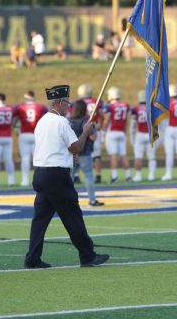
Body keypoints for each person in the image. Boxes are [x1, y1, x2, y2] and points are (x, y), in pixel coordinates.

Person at [24, 84, 109, 269]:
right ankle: (87, 255)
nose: (68, 108)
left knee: (40, 220)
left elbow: (54, 146)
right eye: (67, 104)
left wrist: (69, 155)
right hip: (56, 175)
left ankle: (32, 258)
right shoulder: (62, 122)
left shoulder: (42, 121)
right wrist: (86, 131)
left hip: (40, 173)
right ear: (61, 103)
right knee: (72, 216)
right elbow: (76, 147)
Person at [70, 99, 104, 206]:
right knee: (89, 176)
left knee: (69, 178)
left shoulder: (68, 121)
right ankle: (92, 200)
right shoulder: (86, 121)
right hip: (85, 153)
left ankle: (65, 200)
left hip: (72, 153)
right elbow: (93, 137)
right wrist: (94, 128)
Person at [14, 91, 47, 186]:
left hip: (24, 134)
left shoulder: (20, 107)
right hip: (37, 135)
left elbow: (15, 120)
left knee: (25, 158)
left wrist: (14, 128)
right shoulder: (40, 107)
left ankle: (25, 180)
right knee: (38, 158)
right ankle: (39, 179)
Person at [76, 84, 104, 184]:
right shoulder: (97, 101)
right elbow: (101, 115)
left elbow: (74, 116)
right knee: (97, 155)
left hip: (81, 129)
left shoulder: (77, 103)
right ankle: (98, 175)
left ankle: (76, 176)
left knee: (78, 153)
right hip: (94, 128)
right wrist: (99, 124)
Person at [103, 86, 131, 183]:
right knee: (123, 155)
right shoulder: (126, 105)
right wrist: (125, 132)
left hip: (112, 133)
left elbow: (107, 120)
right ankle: (128, 177)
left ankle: (114, 177)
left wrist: (103, 131)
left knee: (113, 156)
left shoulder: (109, 106)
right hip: (121, 132)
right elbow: (127, 121)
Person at [130, 90, 158, 182]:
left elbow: (133, 124)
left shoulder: (136, 109)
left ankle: (138, 176)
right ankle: (151, 175)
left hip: (140, 134)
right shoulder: (152, 108)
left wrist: (132, 136)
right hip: (150, 134)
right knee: (152, 156)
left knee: (138, 156)